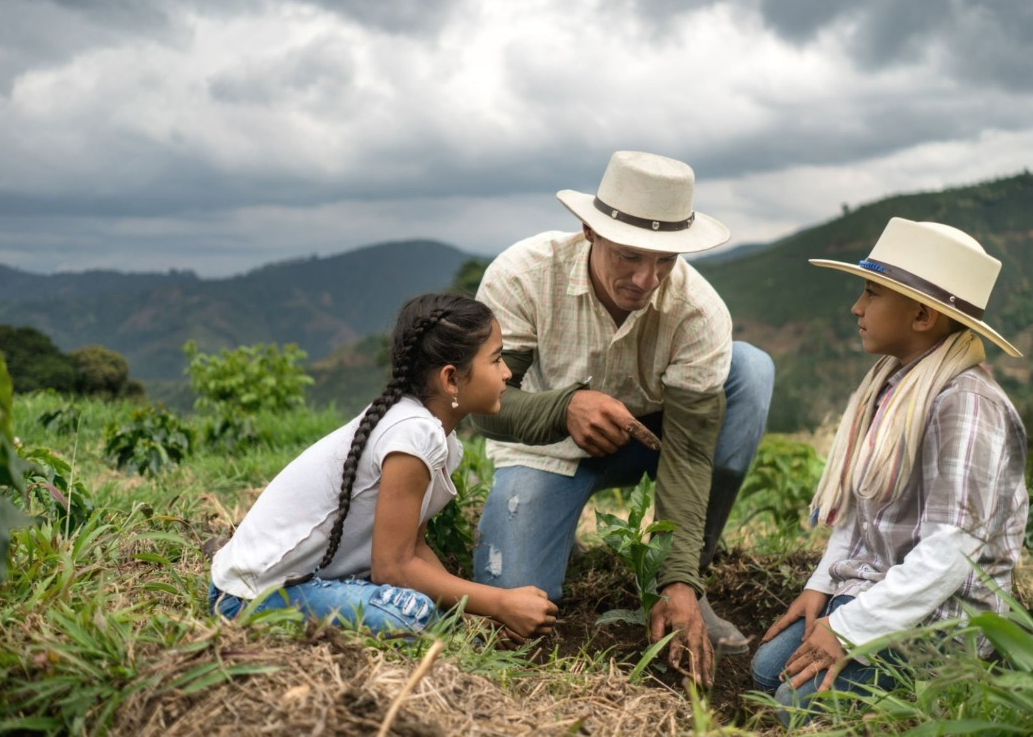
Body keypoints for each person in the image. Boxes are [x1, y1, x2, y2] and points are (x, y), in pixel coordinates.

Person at [469, 150, 775, 685]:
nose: (645, 278)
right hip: (548, 450)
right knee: (515, 601)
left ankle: (687, 577)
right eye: (629, 256)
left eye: (664, 260)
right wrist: (564, 408)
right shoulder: (523, 276)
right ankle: (557, 529)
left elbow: (689, 453)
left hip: (654, 441)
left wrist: (677, 581)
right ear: (590, 231)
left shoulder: (698, 312)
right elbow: (486, 407)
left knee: (750, 369)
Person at [751, 217, 1028, 725]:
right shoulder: (895, 388)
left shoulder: (964, 403)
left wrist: (850, 628)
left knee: (799, 700)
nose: (857, 307)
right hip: (880, 589)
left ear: (921, 315)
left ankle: (940, 689)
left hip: (944, 620)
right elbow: (860, 509)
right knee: (768, 671)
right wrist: (821, 584)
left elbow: (953, 549)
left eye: (872, 293)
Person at [208, 292, 558, 643]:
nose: (507, 372)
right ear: (451, 379)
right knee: (415, 616)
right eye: (496, 360)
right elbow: (393, 568)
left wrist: (471, 611)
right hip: (250, 596)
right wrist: (498, 602)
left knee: (436, 617)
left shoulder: (438, 439)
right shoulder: (413, 433)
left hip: (304, 583)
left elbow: (414, 549)